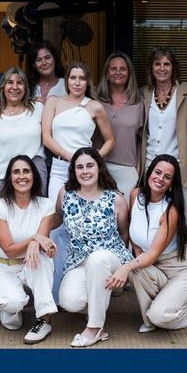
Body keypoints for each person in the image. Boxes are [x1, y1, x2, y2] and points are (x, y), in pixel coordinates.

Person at [42, 61, 114, 298]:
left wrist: (91, 162)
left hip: (85, 174)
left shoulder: (94, 106)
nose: (77, 82)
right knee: (56, 225)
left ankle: (83, 284)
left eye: (82, 78)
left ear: (87, 81)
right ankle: (54, 289)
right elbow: (46, 137)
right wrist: (71, 157)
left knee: (83, 226)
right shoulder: (53, 102)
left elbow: (110, 141)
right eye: (73, 78)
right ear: (66, 80)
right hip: (60, 169)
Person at [110, 155, 187, 332]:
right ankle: (150, 318)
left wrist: (125, 268)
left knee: (159, 316)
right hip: (155, 266)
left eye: (167, 177)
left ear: (172, 183)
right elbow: (132, 229)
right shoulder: (135, 195)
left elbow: (153, 254)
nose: (160, 179)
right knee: (137, 269)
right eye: (157, 172)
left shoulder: (171, 210)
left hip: (181, 270)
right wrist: (138, 254)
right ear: (149, 172)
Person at [56, 148, 131, 347]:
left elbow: (124, 233)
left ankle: (95, 327)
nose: (85, 171)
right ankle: (99, 299)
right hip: (79, 260)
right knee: (69, 301)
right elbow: (57, 218)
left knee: (98, 260)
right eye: (79, 167)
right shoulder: (65, 194)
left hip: (111, 257)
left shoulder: (116, 199)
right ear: (73, 171)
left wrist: (121, 269)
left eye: (90, 165)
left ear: (99, 168)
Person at [0, 155, 59, 344]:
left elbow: (43, 242)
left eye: (26, 171)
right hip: (3, 267)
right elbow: (10, 250)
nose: (22, 176)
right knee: (13, 312)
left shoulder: (46, 205)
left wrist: (37, 241)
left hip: (30, 264)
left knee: (43, 259)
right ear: (9, 177)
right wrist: (35, 238)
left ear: (34, 175)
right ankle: (12, 305)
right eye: (16, 172)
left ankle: (44, 320)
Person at [0, 67, 47, 216]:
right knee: (5, 223)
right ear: (3, 87)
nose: (15, 87)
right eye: (10, 82)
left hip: (34, 176)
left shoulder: (38, 109)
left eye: (20, 83)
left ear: (26, 88)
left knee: (37, 221)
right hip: (3, 178)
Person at [141, 47, 187, 223]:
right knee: (152, 218)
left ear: (173, 68)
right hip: (150, 165)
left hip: (178, 167)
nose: (162, 68)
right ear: (151, 67)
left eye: (167, 64)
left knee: (181, 219)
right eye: (157, 64)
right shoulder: (143, 94)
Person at [94, 52, 144, 196]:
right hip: (98, 165)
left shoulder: (138, 102)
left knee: (123, 210)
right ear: (106, 73)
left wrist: (138, 169)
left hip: (127, 169)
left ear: (129, 74)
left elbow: (141, 140)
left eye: (123, 69)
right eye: (113, 68)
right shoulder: (95, 98)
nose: (118, 72)